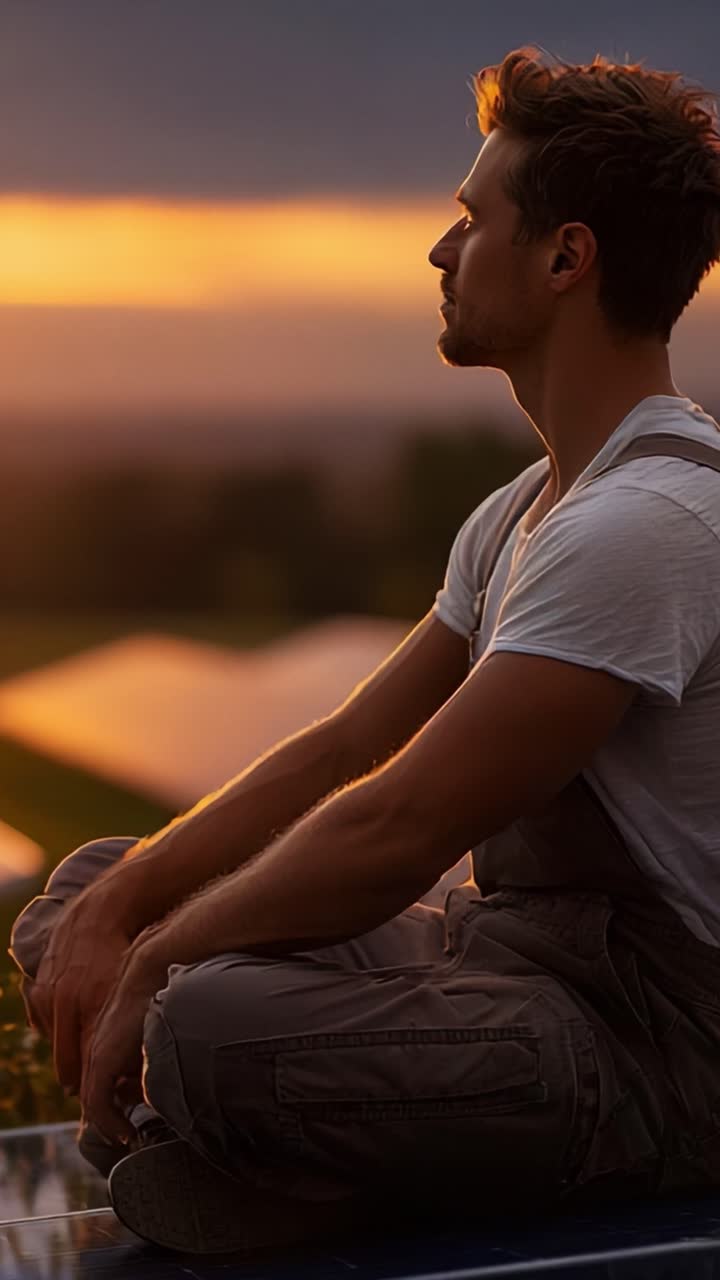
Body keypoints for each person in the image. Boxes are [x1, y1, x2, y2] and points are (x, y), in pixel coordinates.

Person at [10, 44, 720, 1256]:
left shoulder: (647, 524)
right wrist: (127, 914)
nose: (441, 252)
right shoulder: (524, 510)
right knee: (84, 896)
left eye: (469, 219)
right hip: (508, 962)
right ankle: (305, 1155)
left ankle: (335, 1167)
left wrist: (156, 969)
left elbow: (399, 825)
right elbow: (344, 744)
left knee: (203, 1021)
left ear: (566, 256)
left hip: (653, 1046)